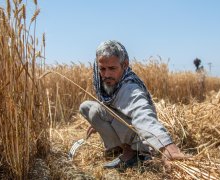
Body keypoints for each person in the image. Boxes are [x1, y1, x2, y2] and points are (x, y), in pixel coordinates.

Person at [79, 40, 185, 169]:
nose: (106, 74)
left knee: (95, 111)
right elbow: (108, 106)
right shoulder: (105, 82)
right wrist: (98, 122)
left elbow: (143, 115)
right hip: (130, 131)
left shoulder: (130, 88)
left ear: (125, 65)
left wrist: (167, 147)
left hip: (142, 139)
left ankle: (132, 154)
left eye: (112, 68)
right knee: (87, 107)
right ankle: (120, 148)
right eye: (102, 69)